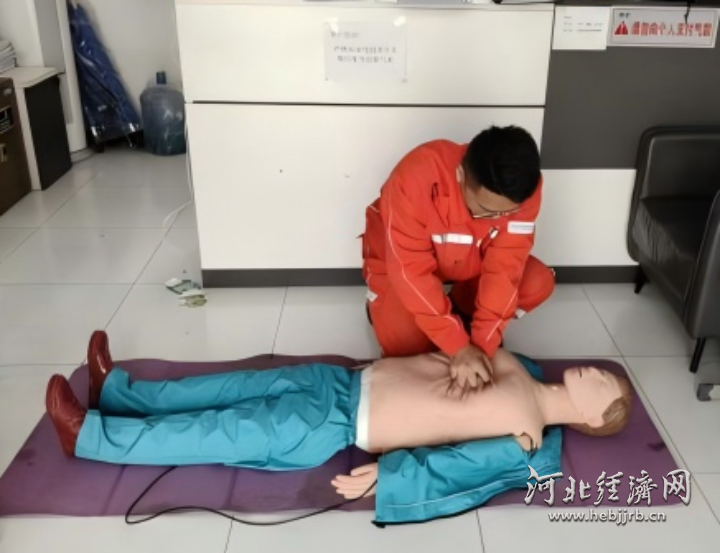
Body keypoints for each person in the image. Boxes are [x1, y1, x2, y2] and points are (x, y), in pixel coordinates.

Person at [47, 332, 631, 500]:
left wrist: (388, 475)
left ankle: (90, 437)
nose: (597, 372)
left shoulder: (526, 437)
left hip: (334, 426)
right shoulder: (522, 367)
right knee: (228, 386)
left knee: (214, 431)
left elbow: (459, 468)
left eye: (603, 385)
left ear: (589, 417)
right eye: (606, 373)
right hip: (341, 379)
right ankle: (119, 394)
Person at [362, 126, 555, 392]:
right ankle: (388, 308)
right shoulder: (414, 177)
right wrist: (458, 347)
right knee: (409, 358)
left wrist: (483, 344)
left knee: (537, 282)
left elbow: (505, 269)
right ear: (460, 175)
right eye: (486, 211)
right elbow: (409, 273)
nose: (497, 219)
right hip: (398, 264)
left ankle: (460, 309)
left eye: (507, 214)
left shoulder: (524, 191)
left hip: (467, 261)